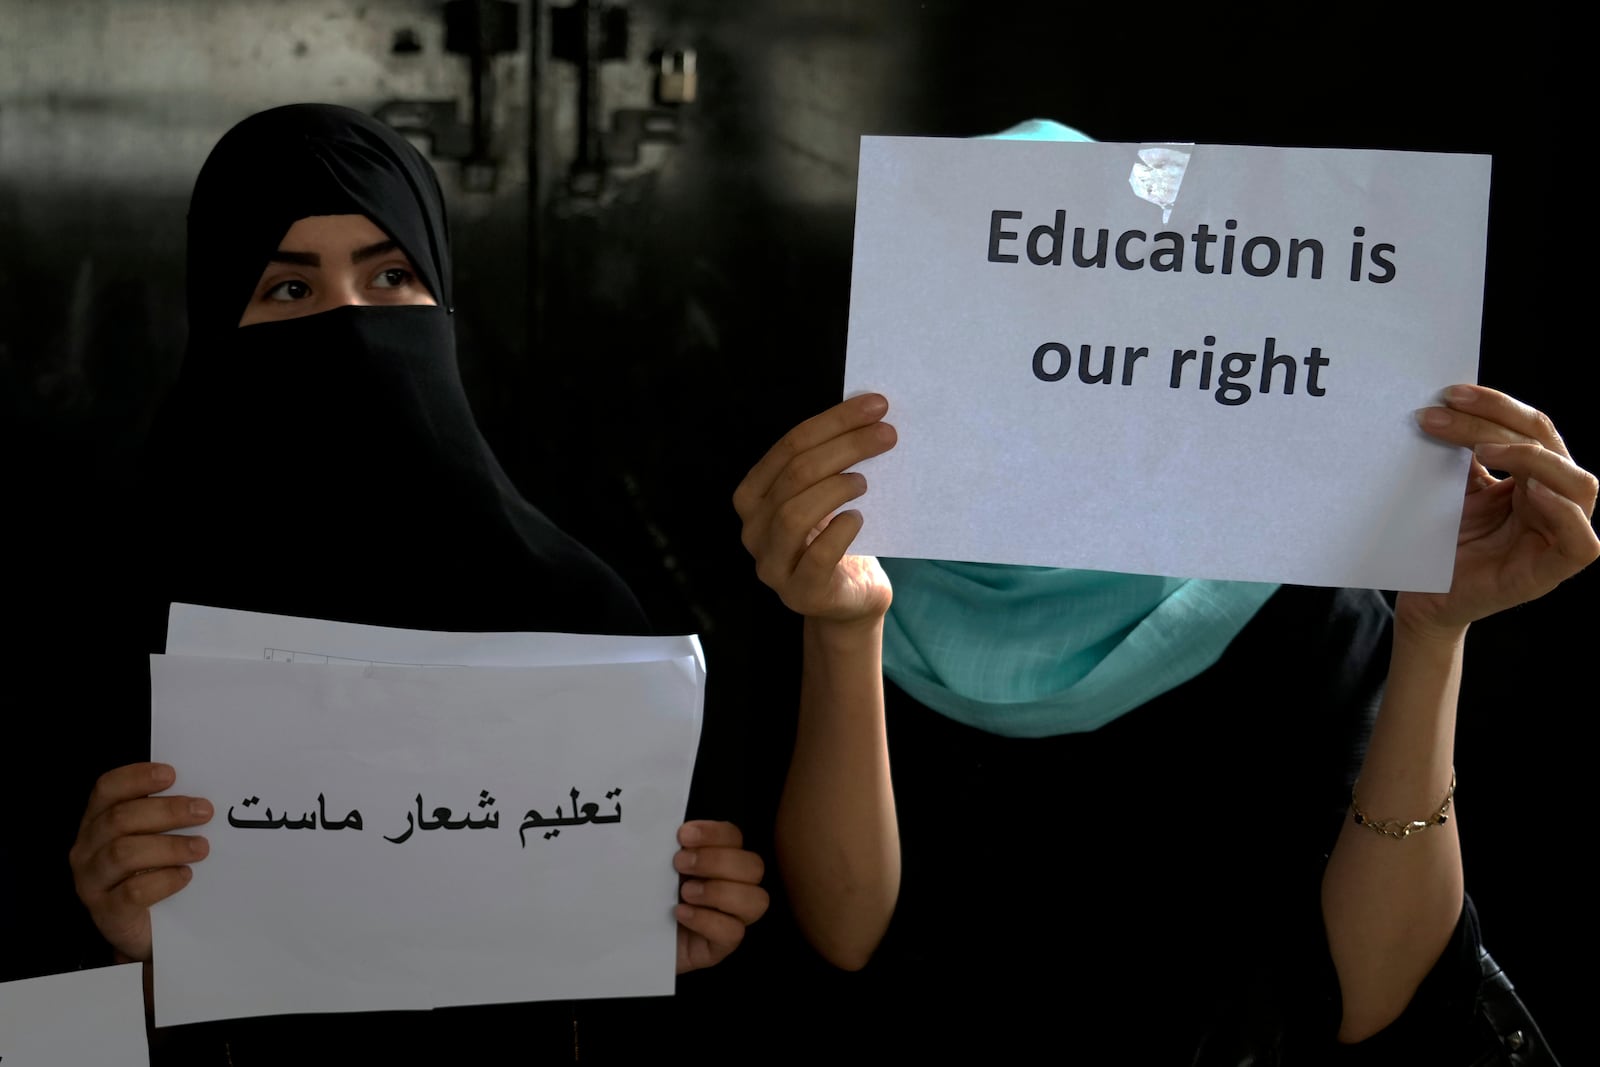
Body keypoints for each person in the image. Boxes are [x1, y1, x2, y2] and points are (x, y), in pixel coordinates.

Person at [733, 125, 1595, 1063]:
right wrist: (843, 631)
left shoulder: (1295, 604)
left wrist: (1434, 632)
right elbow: (846, 937)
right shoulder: (833, 568)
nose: (1055, 362)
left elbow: (1374, 994)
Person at [64, 103, 767, 1063]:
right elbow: (39, 1034)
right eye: (285, 288)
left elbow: (620, 1019)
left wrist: (663, 951)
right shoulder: (101, 628)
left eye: (391, 275)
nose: (350, 323)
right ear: (216, 322)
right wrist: (126, 955)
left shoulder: (579, 618)